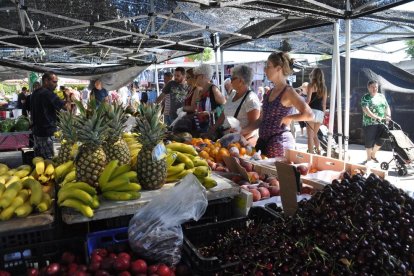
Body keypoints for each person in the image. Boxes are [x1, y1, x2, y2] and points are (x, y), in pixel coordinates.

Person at [242, 52, 313, 158]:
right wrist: (242, 131)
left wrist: (289, 117)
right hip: (263, 145)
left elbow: (309, 114)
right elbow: (261, 120)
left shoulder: (288, 91)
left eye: (268, 66)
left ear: (279, 68)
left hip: (279, 145)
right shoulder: (269, 92)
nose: (265, 70)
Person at [210, 65, 261, 145]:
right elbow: (224, 114)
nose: (230, 81)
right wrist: (212, 129)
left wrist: (239, 140)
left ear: (241, 81)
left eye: (232, 78)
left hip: (238, 144)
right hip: (225, 138)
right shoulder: (233, 94)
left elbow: (253, 128)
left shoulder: (251, 99)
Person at [30, 72, 71, 159]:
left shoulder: (35, 93)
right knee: (50, 160)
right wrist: (67, 96)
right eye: (54, 82)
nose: (56, 85)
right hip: (47, 133)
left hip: (36, 132)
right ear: (46, 81)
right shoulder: (48, 94)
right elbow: (66, 108)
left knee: (39, 161)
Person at [361, 80, 391, 164]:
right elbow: (365, 109)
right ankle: (368, 159)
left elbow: (387, 106)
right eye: (373, 87)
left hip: (382, 123)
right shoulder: (365, 97)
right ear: (368, 88)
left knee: (381, 139)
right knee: (369, 141)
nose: (375, 89)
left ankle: (373, 155)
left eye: (376, 87)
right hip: (370, 123)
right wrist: (376, 117)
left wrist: (388, 115)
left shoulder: (381, 96)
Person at [193, 64, 226, 135]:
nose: (195, 79)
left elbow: (225, 107)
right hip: (201, 127)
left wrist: (209, 113)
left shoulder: (213, 89)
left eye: (196, 76)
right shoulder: (200, 89)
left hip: (212, 129)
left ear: (202, 76)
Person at [306, 69, 327, 154]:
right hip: (320, 113)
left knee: (310, 137)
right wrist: (324, 114)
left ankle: (311, 154)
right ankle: (318, 151)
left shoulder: (310, 85)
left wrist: (302, 109)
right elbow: (324, 103)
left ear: (313, 75)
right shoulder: (324, 88)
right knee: (315, 135)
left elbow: (308, 100)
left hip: (311, 112)